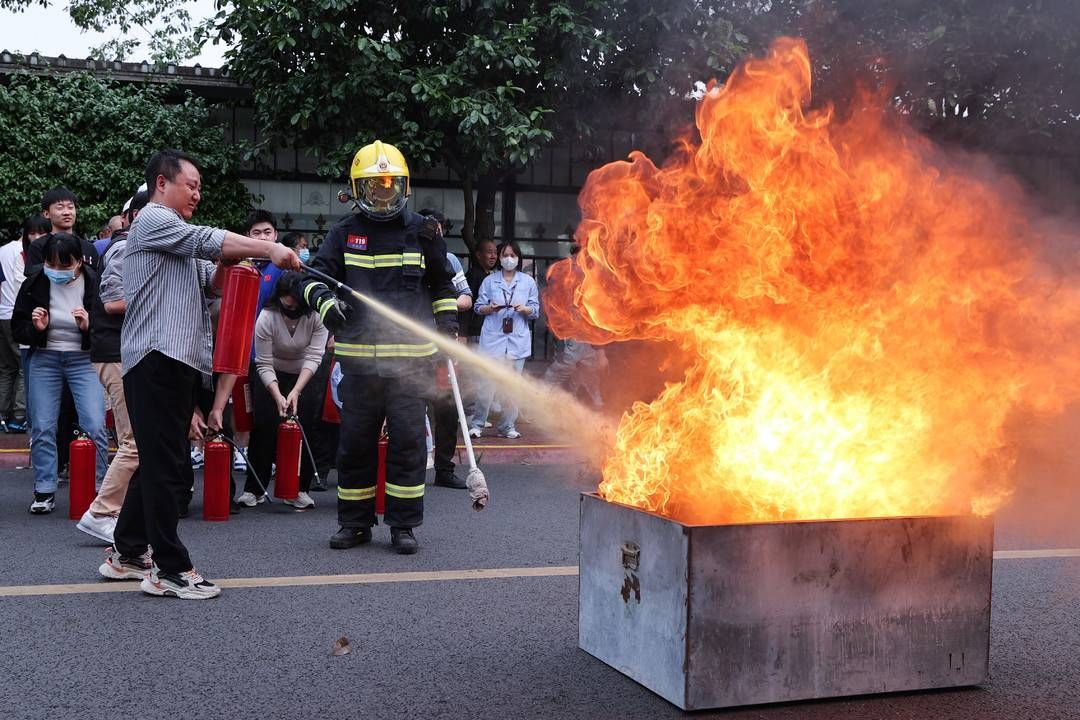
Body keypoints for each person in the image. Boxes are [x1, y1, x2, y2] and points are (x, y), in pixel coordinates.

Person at [98, 148, 300, 600]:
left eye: (199, 188)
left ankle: (128, 553)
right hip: (155, 357)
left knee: (158, 461)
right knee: (170, 467)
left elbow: (215, 279)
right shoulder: (153, 221)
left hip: (176, 360)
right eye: (191, 186)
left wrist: (248, 263)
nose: (196, 194)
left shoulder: (177, 239)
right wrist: (270, 247)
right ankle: (170, 569)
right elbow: (212, 240)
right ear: (161, 184)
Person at [296, 140, 459, 554]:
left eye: (390, 186)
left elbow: (442, 286)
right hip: (360, 367)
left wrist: (448, 326)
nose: (383, 195)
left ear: (404, 187)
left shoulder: (423, 231)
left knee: (408, 444)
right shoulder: (343, 233)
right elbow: (308, 279)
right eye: (374, 188)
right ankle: (354, 523)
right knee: (355, 446)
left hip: (411, 368)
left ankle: (403, 525)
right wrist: (328, 307)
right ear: (357, 189)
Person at [12, 232, 109, 514]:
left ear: (79, 262)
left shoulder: (94, 282)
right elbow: (18, 327)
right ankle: (44, 489)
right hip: (45, 358)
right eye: (51, 264)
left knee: (94, 424)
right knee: (42, 425)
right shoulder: (34, 284)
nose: (56, 271)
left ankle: (102, 487)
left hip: (83, 360)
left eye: (64, 265)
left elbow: (108, 329)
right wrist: (36, 330)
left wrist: (88, 325)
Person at [77, 190, 149, 543]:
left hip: (121, 353)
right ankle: (101, 512)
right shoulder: (124, 248)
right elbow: (112, 301)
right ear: (134, 216)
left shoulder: (134, 248)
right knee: (133, 441)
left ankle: (116, 510)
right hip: (115, 354)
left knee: (135, 440)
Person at [235, 274, 328, 509]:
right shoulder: (267, 317)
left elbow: (315, 356)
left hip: (305, 373)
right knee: (264, 424)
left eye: (297, 305)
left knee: (304, 426)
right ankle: (254, 488)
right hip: (271, 371)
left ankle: (299, 488)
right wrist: (277, 394)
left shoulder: (317, 317)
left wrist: (296, 390)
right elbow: (263, 362)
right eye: (287, 305)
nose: (292, 309)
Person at [419, 208, 472, 489]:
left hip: (443, 346)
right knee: (412, 407)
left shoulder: (449, 259)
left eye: (437, 228)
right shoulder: (411, 255)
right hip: (414, 348)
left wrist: (445, 305)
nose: (433, 232)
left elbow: (466, 299)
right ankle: (411, 466)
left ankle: (444, 468)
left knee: (448, 407)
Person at [469, 240, 540, 440]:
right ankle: (477, 424)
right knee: (486, 386)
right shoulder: (489, 281)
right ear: (500, 259)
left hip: (517, 342)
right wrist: (489, 308)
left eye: (513, 255)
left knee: (512, 388)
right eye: (505, 255)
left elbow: (535, 310)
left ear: (518, 258)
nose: (509, 259)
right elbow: (477, 306)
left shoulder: (528, 282)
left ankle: (507, 426)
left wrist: (526, 309)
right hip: (493, 340)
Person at [0, 216, 45, 433]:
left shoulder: (2, 250)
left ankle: (2, 415)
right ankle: (18, 417)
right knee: (21, 369)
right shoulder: (25, 253)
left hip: (3, 314)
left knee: (6, 368)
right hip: (18, 315)